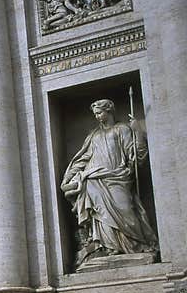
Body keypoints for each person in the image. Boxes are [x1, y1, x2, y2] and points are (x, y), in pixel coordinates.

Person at [61, 99, 157, 268]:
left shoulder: (122, 129)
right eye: (95, 114)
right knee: (99, 211)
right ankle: (107, 246)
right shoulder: (94, 135)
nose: (98, 117)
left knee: (127, 210)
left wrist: (138, 134)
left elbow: (136, 158)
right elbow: (83, 158)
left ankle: (138, 245)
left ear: (109, 111)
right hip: (95, 178)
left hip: (118, 177)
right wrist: (69, 177)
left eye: (100, 113)